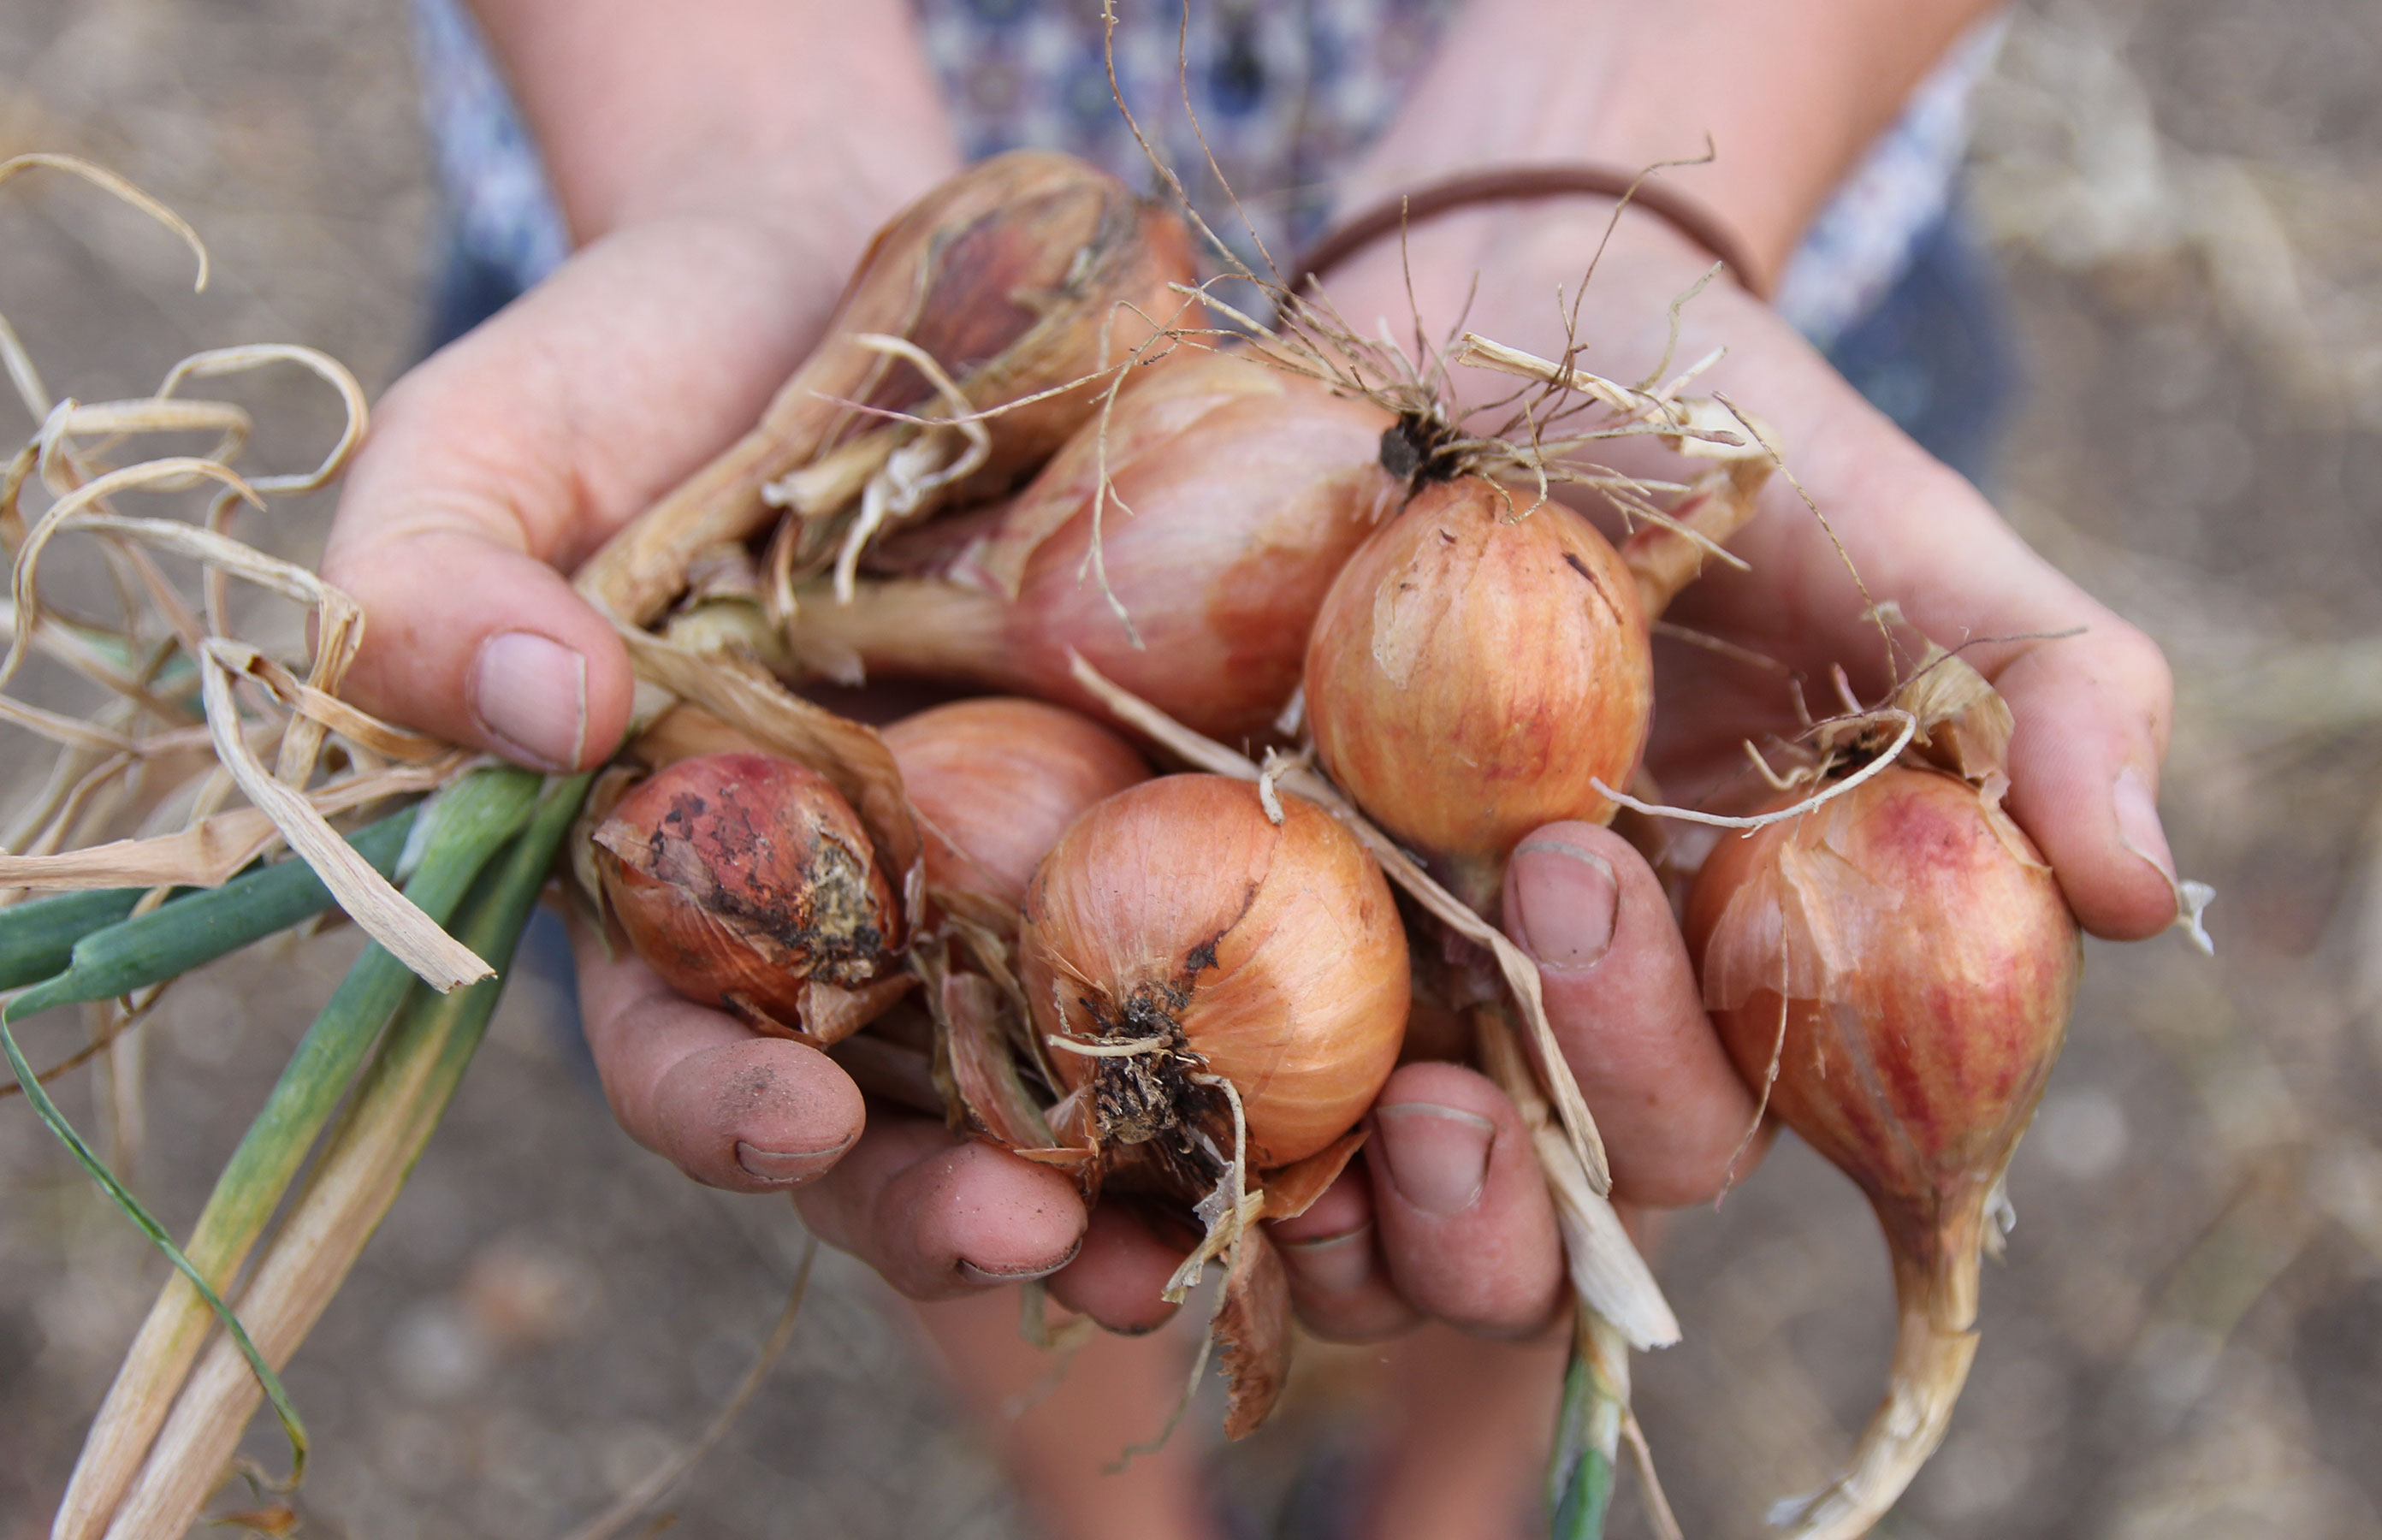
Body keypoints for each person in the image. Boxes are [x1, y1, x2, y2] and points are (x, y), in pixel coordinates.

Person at [330, 3, 2184, 1534]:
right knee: (973, 1113)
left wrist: (1592, 160)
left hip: (1717, 182)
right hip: (813, 214)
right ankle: (1115, 1507)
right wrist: (742, 153)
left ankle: (1443, 1505)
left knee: (1553, 1059)